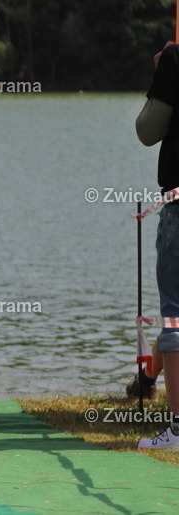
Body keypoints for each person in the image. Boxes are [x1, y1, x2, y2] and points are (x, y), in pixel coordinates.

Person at [136, 39, 179, 448]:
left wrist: (165, 71)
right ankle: (146, 384)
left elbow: (147, 131)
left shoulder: (176, 58)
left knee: (176, 319)